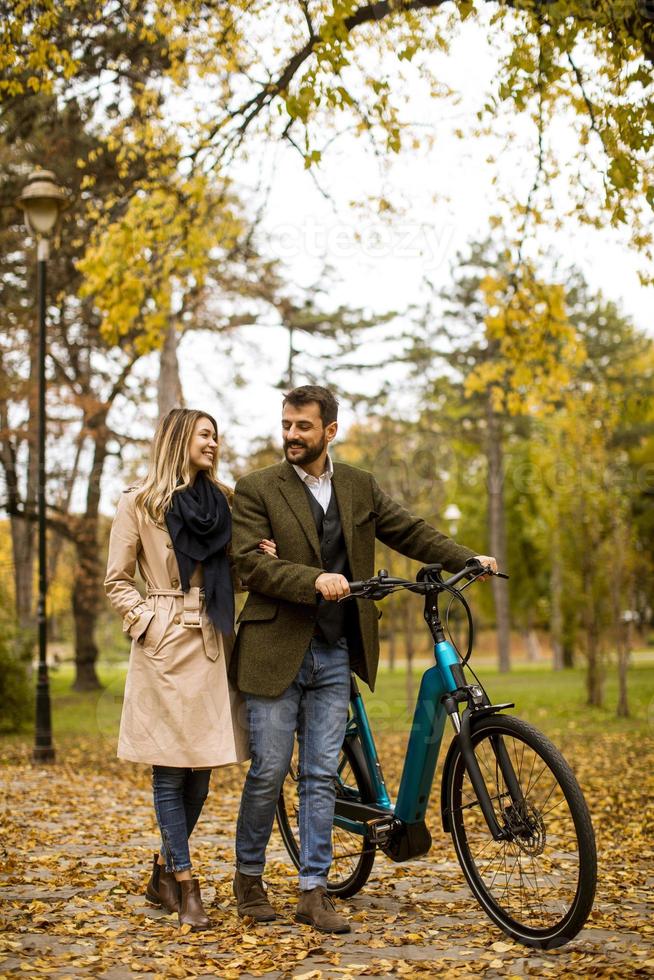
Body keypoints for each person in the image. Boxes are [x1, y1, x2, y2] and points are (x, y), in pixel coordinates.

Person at [230, 384, 497, 933]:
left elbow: (408, 530)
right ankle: (248, 877)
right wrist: (314, 579)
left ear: (330, 431)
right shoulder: (256, 488)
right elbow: (250, 567)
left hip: (335, 652)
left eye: (303, 426)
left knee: (322, 775)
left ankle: (313, 890)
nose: (291, 436)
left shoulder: (358, 486)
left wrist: (463, 556)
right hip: (273, 651)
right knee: (270, 771)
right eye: (286, 424)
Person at [104, 408, 276, 930]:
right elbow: (117, 580)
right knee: (169, 767)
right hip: (163, 643)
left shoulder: (223, 502)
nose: (214, 444)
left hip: (211, 639)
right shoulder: (139, 501)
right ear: (179, 438)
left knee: (201, 774)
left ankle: (160, 868)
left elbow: (226, 576)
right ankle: (185, 882)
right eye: (205, 434)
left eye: (217, 436)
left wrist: (256, 559)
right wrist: (147, 621)